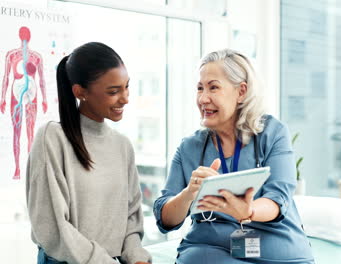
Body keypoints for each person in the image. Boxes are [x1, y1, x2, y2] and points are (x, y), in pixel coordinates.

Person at [153, 49, 315, 263]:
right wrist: (189, 193)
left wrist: (248, 210)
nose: (203, 98)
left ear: (241, 92)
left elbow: (278, 199)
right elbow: (166, 220)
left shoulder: (272, 133)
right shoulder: (189, 148)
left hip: (274, 246)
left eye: (213, 87)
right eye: (199, 88)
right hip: (211, 249)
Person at [26, 42, 151, 264]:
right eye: (113, 91)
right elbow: (51, 227)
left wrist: (136, 256)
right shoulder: (53, 138)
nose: (125, 98)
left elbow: (132, 217)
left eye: (126, 87)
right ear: (80, 92)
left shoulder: (122, 146)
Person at [1, 26, 47, 179]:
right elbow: (6, 78)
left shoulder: (37, 57)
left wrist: (45, 99)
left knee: (29, 132)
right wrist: (2, 99)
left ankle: (27, 167)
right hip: (17, 95)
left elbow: (41, 80)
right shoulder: (11, 55)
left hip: (30, 96)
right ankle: (17, 168)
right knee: (18, 131)